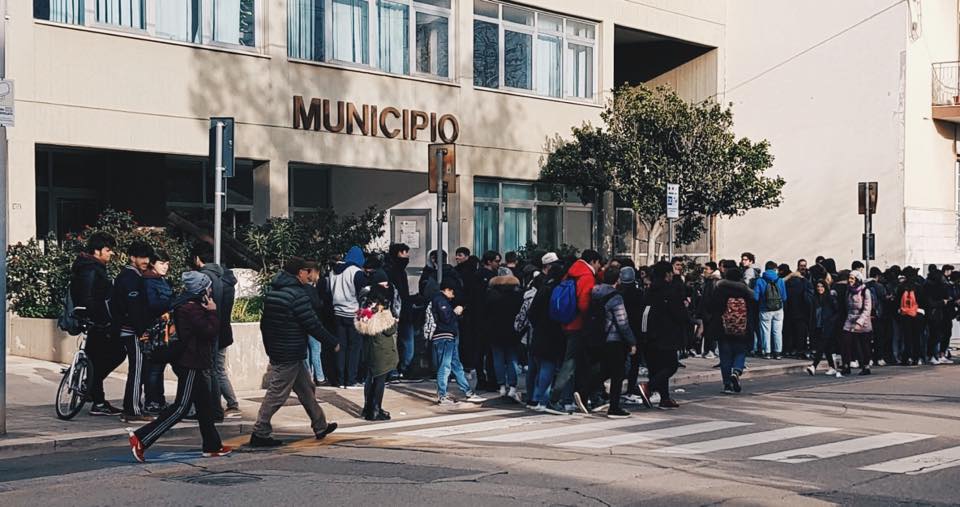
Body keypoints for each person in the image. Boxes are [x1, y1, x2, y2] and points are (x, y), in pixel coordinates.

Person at [128, 271, 232, 463]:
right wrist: (212, 312)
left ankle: (212, 445)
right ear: (201, 289)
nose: (210, 290)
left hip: (192, 361)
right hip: (190, 362)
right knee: (181, 407)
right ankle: (142, 438)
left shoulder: (184, 304)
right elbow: (209, 331)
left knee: (204, 405)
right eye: (208, 287)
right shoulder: (192, 308)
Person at [251, 258, 340, 447]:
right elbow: (312, 324)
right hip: (290, 351)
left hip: (283, 350)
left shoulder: (274, 292)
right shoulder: (297, 295)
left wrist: (271, 349)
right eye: (308, 272)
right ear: (300, 272)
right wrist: (332, 342)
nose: (310, 276)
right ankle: (260, 431)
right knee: (277, 394)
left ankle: (320, 425)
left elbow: (264, 325)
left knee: (306, 388)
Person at [70, 232, 123, 416]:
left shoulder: (89, 266)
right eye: (108, 250)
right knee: (117, 352)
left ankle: (96, 396)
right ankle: (94, 393)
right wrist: (100, 318)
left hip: (93, 319)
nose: (111, 254)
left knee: (95, 359)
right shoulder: (91, 269)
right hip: (95, 320)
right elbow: (88, 297)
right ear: (97, 250)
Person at [545, 250, 602, 415]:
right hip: (579, 325)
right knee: (570, 364)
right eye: (599, 264)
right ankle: (555, 399)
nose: (599, 267)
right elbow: (584, 304)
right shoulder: (586, 276)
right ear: (593, 261)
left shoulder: (571, 273)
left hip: (567, 323)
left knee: (580, 363)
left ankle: (585, 396)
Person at [191, 244, 239, 421]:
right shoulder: (227, 279)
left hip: (213, 330)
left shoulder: (207, 279)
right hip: (224, 329)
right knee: (218, 369)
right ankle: (230, 403)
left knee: (212, 370)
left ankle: (222, 406)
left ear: (198, 259)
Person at [113, 240, 154, 423]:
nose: (146, 260)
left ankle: (132, 406)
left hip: (129, 329)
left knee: (138, 369)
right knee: (137, 370)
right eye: (141, 257)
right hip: (133, 331)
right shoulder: (132, 278)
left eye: (147, 257)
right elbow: (134, 308)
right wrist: (142, 331)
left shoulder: (129, 276)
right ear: (132, 258)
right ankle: (133, 410)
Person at [429, 278, 484, 405]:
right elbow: (447, 318)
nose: (453, 296)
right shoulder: (440, 300)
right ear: (447, 290)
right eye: (452, 292)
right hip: (444, 336)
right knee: (446, 366)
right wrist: (456, 312)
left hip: (446, 337)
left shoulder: (438, 299)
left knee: (456, 365)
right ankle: (443, 395)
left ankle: (468, 392)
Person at [593, 267, 638, 418]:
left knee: (605, 370)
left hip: (599, 336)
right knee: (618, 374)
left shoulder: (594, 292)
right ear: (617, 279)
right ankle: (614, 407)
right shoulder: (615, 297)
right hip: (614, 338)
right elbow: (622, 322)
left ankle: (583, 390)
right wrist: (631, 341)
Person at [706, 267, 757, 394]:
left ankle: (727, 385)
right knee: (740, 351)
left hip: (723, 328)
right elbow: (753, 309)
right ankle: (737, 371)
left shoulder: (719, 289)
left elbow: (712, 307)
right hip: (742, 328)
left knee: (725, 356)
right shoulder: (746, 291)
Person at [645, 261, 688, 409]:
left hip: (650, 334)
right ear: (667, 274)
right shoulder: (670, 291)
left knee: (657, 367)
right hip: (667, 333)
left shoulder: (649, 291)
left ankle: (665, 397)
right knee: (671, 365)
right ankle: (648, 387)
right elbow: (679, 313)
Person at [526, 253, 565, 411]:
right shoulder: (558, 289)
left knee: (538, 365)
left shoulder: (543, 286)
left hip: (540, 329)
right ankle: (541, 399)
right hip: (553, 330)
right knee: (547, 366)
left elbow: (532, 311)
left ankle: (534, 398)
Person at [355, 283, 399, 421]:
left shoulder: (365, 311)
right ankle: (375, 409)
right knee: (380, 381)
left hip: (369, 351)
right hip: (381, 352)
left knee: (370, 379)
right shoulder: (382, 313)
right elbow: (390, 330)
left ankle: (368, 407)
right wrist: (393, 319)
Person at [483, 267, 524, 403]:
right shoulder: (517, 294)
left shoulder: (490, 294)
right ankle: (512, 386)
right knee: (512, 358)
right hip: (512, 330)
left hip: (494, 330)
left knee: (498, 358)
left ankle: (501, 386)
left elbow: (485, 314)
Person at [329, 245, 368, 388]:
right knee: (354, 348)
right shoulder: (356, 272)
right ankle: (351, 380)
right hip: (353, 313)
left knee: (341, 347)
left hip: (337, 312)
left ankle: (340, 380)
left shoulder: (333, 272)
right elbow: (363, 292)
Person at [142, 249, 174, 415]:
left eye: (167, 264)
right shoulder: (148, 281)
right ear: (153, 263)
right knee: (153, 366)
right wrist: (171, 303)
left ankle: (158, 400)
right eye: (162, 263)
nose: (165, 267)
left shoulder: (163, 281)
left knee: (158, 366)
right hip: (153, 329)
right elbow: (152, 304)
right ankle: (152, 401)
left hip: (163, 330)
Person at [385, 243, 414, 381]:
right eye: (405, 253)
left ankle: (396, 369)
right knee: (405, 342)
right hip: (399, 312)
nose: (407, 256)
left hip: (398, 311)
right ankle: (400, 369)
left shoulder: (392, 269)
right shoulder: (397, 271)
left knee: (398, 342)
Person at [840, 270, 873, 375]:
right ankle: (846, 365)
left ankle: (865, 366)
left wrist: (860, 322)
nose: (850, 281)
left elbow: (867, 309)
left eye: (852, 279)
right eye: (849, 278)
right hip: (850, 318)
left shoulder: (865, 291)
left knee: (863, 345)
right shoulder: (848, 290)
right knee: (846, 342)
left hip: (863, 320)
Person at [807, 279, 841, 377]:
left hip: (828, 325)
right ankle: (832, 367)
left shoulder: (830, 298)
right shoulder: (815, 298)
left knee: (821, 346)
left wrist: (831, 321)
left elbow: (837, 311)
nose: (819, 288)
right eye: (818, 286)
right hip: (818, 325)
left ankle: (813, 366)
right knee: (826, 348)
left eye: (821, 286)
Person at [754, 261, 788, 360]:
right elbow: (784, 297)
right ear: (775, 269)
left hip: (765, 309)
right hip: (778, 309)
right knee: (777, 331)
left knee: (765, 331)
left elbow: (756, 297)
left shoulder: (760, 280)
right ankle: (778, 352)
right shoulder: (780, 280)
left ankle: (767, 352)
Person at [783, 263, 814, 358]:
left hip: (789, 310)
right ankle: (800, 351)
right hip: (802, 311)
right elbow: (809, 298)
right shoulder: (805, 282)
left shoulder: (787, 283)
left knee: (790, 331)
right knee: (801, 333)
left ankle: (789, 350)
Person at [697, 262, 721, 359]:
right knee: (706, 331)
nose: (704, 271)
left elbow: (712, 297)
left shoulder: (713, 281)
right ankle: (707, 350)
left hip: (710, 311)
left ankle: (711, 350)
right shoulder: (708, 281)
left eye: (706, 269)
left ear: (711, 270)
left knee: (710, 331)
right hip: (706, 311)